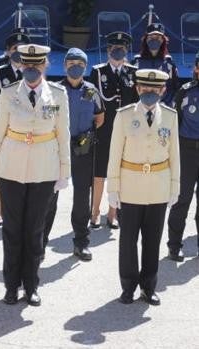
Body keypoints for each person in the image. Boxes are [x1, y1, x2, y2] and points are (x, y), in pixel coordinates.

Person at [0, 44, 71, 306]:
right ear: (21, 65)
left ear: (45, 65)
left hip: (44, 169)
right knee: (12, 230)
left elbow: (63, 134)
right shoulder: (8, 93)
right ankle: (11, 287)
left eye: (37, 65)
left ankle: (31, 285)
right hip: (11, 168)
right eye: (27, 65)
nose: (31, 70)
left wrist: (64, 171)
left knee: (35, 230)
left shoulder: (58, 94)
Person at [107, 69, 180, 305]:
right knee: (128, 240)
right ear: (138, 89)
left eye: (154, 90)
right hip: (130, 186)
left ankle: (149, 286)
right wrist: (113, 189)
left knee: (152, 240)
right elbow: (114, 154)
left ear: (162, 90)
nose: (150, 93)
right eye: (145, 89)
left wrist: (174, 187)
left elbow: (175, 155)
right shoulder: (124, 115)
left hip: (158, 186)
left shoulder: (170, 116)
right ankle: (128, 286)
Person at [42, 48, 105, 262]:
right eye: (71, 63)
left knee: (81, 197)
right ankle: (40, 244)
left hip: (82, 148)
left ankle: (81, 242)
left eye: (79, 63)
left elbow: (100, 117)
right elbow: (47, 118)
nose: (75, 67)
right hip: (57, 149)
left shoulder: (91, 90)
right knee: (50, 196)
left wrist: (86, 135)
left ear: (85, 66)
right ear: (65, 66)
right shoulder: (54, 90)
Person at [88, 31, 138, 229]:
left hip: (125, 130)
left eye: (121, 49)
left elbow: (135, 101)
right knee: (99, 171)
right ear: (108, 50)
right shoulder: (98, 71)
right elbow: (91, 100)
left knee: (120, 172)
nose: (117, 52)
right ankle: (94, 211)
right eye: (113, 48)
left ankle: (113, 212)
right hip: (104, 128)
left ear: (126, 50)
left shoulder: (133, 72)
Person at [0, 27, 31, 226]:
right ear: (8, 51)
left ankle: (23, 206)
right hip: (3, 128)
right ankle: (1, 211)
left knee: (25, 166)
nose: (18, 51)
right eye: (14, 48)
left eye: (22, 47)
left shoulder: (32, 72)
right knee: (1, 167)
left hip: (26, 129)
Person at [166, 52, 199, 261]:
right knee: (182, 199)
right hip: (186, 151)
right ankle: (175, 244)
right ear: (196, 68)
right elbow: (173, 123)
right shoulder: (185, 92)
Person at [131, 23, 180, 106]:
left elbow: (174, 89)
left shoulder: (169, 64)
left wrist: (166, 104)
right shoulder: (136, 63)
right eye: (151, 37)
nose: (154, 40)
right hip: (139, 107)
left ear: (163, 40)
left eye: (158, 38)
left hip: (163, 107)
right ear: (146, 39)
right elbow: (131, 88)